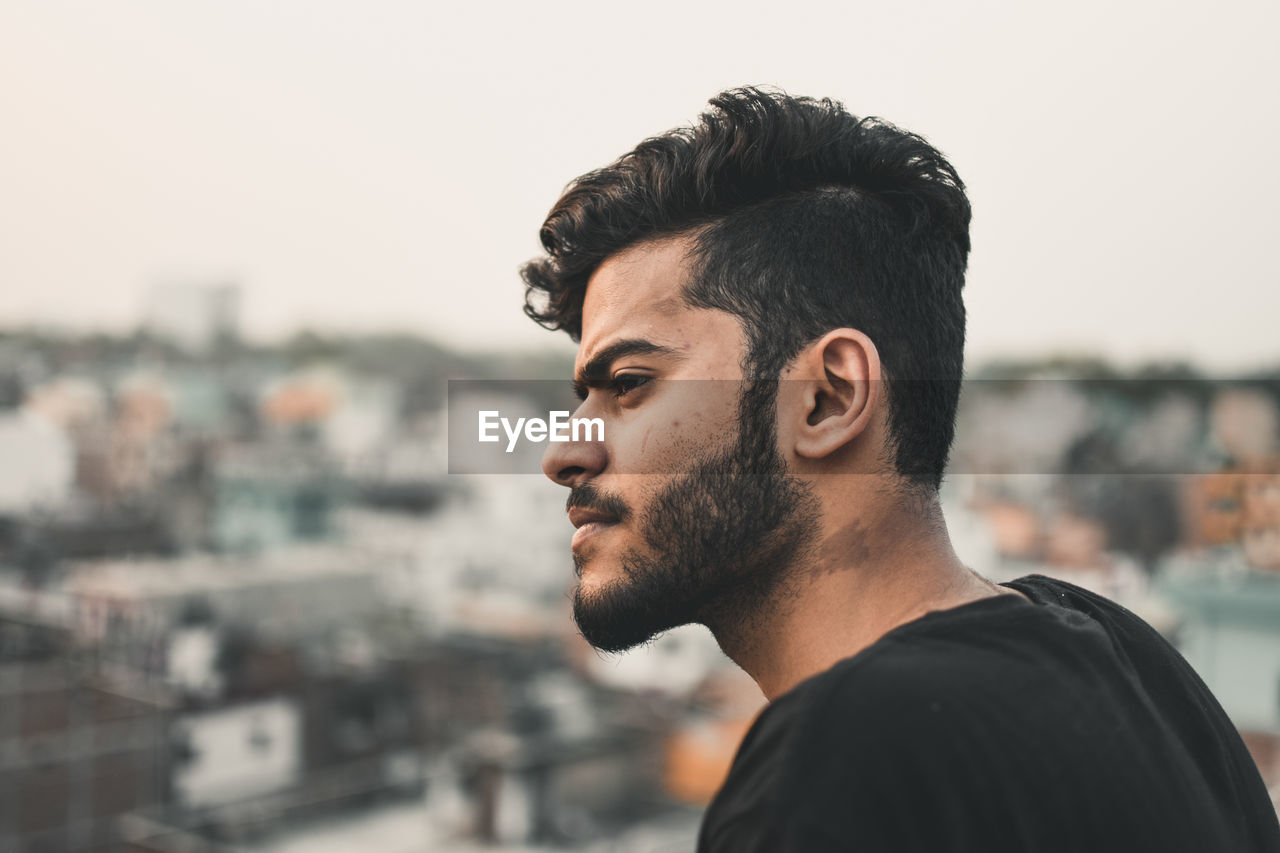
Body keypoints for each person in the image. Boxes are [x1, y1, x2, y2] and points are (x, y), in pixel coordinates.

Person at [522, 87, 1280, 851]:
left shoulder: (834, 775)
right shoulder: (1130, 661)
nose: (564, 453)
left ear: (828, 397)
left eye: (628, 385)